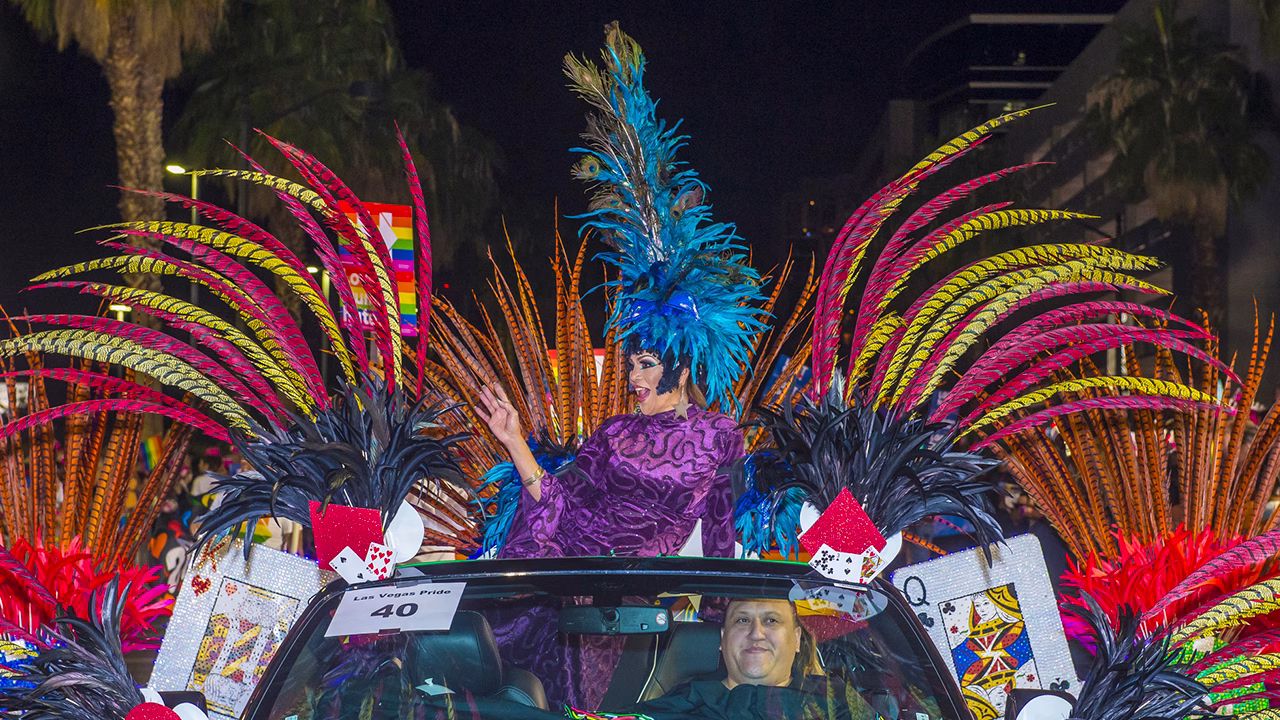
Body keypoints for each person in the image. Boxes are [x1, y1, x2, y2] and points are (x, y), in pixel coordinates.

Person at [476, 347, 741, 560]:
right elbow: (560, 501)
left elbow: (721, 526)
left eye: (646, 364)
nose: (633, 377)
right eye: (631, 366)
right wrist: (514, 441)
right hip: (569, 560)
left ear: (681, 372)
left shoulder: (720, 433)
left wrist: (719, 612)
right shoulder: (616, 429)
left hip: (631, 585)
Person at [621, 598, 872, 720]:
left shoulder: (838, 703)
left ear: (796, 639)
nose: (756, 633)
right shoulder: (678, 704)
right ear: (722, 639)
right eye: (742, 620)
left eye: (771, 620)